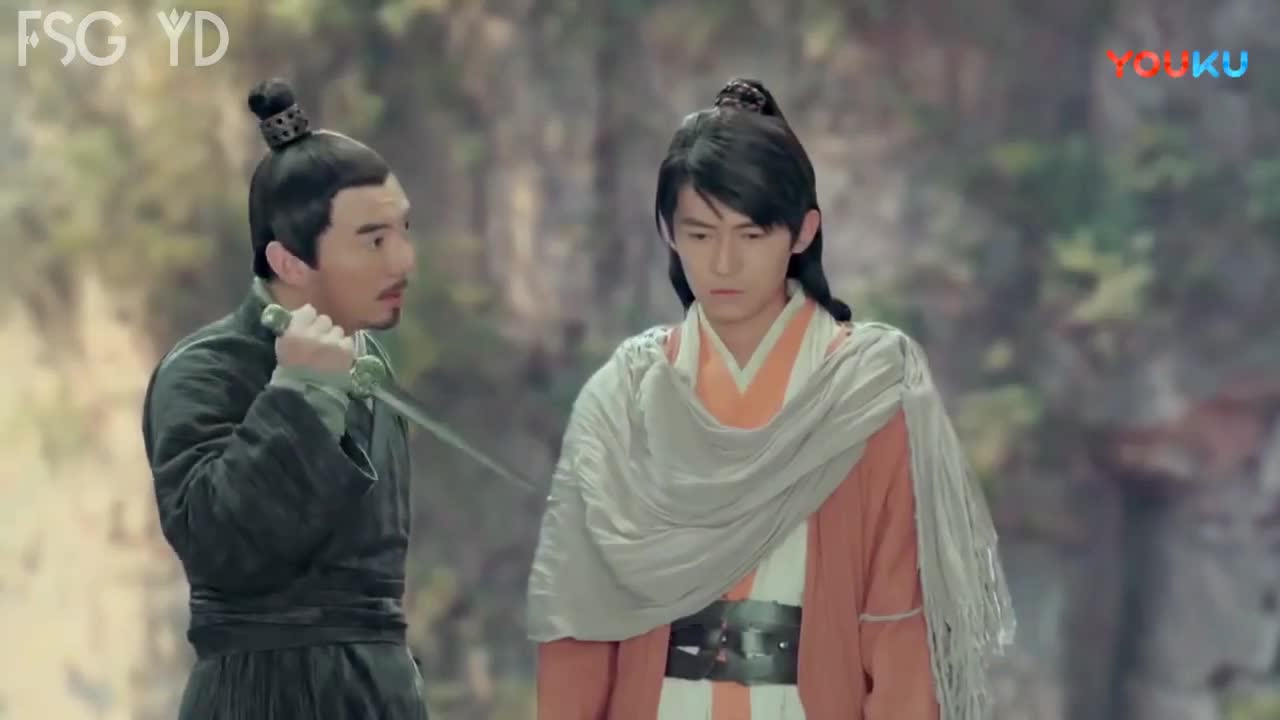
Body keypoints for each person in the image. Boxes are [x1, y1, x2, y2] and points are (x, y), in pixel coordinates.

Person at [526, 78, 1015, 719]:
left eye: (752, 235)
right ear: (668, 232)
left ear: (803, 231)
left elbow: (900, 623)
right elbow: (578, 625)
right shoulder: (623, 397)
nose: (724, 263)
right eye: (701, 234)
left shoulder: (868, 388)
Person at [140, 78, 429, 719]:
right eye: (374, 240)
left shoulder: (370, 362)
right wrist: (300, 393)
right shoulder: (204, 369)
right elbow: (219, 547)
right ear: (290, 261)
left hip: (379, 693)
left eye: (404, 230)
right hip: (263, 694)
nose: (404, 260)